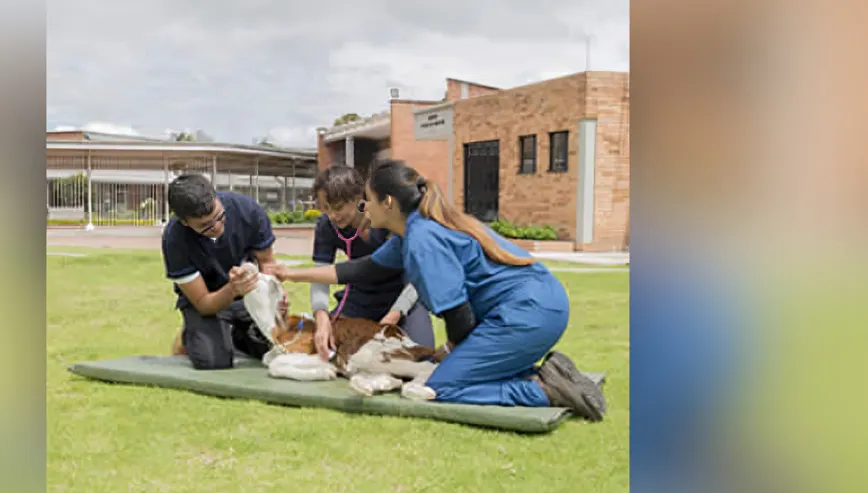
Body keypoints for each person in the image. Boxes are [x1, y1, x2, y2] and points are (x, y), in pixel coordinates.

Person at [264, 160, 606, 421]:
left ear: (388, 203)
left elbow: (459, 316)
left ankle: (544, 390)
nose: (363, 208)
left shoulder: (423, 240)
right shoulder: (413, 231)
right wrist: (292, 274)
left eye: (367, 200)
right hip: (537, 306)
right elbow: (361, 269)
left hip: (527, 314)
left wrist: (449, 350)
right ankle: (551, 372)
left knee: (436, 387)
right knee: (447, 372)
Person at [306, 164, 436, 358]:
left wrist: (395, 313)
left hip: (404, 294)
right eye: (325, 209)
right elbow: (321, 276)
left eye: (338, 207)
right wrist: (321, 316)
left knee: (421, 357)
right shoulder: (327, 226)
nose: (333, 215)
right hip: (361, 297)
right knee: (325, 347)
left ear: (359, 198)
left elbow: (417, 277)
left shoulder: (388, 218)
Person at [161, 173, 287, 370]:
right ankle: (192, 334)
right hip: (206, 302)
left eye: (220, 216)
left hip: (248, 296)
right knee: (212, 361)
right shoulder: (174, 239)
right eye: (206, 226)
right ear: (185, 222)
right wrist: (232, 290)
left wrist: (274, 295)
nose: (217, 227)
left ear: (216, 198)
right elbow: (203, 303)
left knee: (280, 348)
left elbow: (267, 263)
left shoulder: (248, 210)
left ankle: (236, 334)